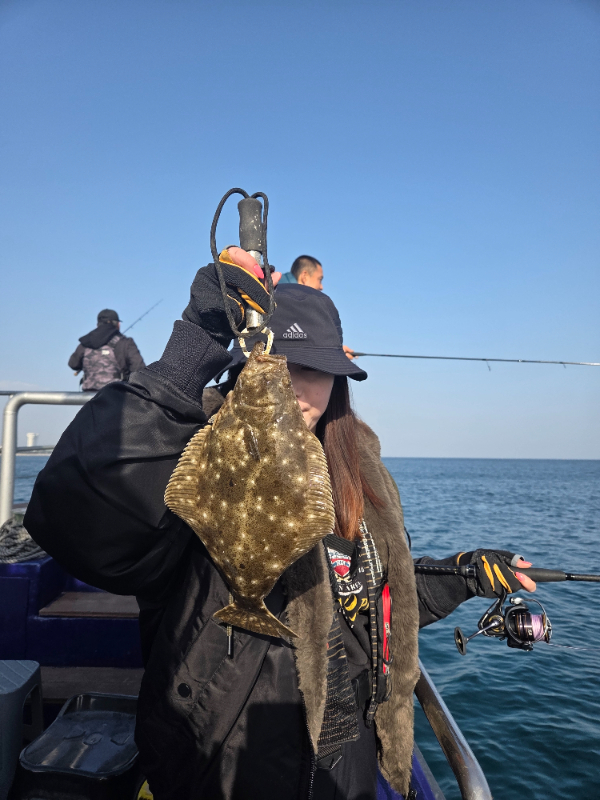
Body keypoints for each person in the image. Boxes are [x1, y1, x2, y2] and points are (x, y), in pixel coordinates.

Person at [25, 248, 536, 800]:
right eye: (279, 365)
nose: (292, 385)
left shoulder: (361, 479)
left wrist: (464, 575)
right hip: (227, 768)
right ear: (247, 369)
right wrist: (190, 349)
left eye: (313, 369)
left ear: (338, 379)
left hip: (346, 765)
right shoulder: (196, 450)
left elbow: (373, 596)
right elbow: (75, 522)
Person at [68, 308, 145, 390]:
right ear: (117, 324)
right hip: (116, 394)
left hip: (89, 395)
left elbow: (73, 364)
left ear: (97, 324)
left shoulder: (85, 342)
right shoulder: (125, 342)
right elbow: (139, 368)